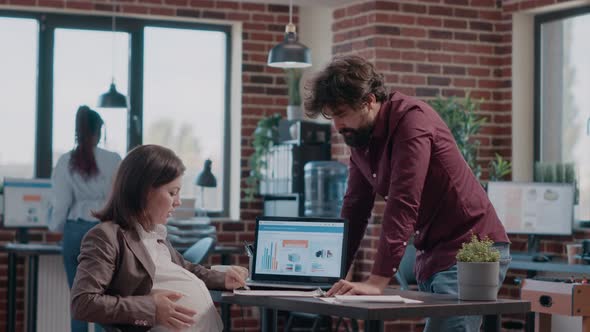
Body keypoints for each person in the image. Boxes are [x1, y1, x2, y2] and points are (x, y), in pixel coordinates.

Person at [304, 55, 510, 332]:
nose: (337, 126)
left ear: (369, 101)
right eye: (332, 116)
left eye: (341, 113)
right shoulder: (360, 139)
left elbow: (403, 201)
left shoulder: (412, 120)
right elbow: (354, 207)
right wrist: (333, 273)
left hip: (471, 250)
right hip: (431, 254)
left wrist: (377, 281)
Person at [70, 144, 248, 332]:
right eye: (172, 193)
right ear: (144, 191)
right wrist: (151, 308)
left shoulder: (155, 234)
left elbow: (186, 268)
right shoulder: (106, 237)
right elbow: (83, 303)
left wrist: (223, 278)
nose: (178, 202)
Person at [50, 105, 121, 332]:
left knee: (78, 300)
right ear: (99, 132)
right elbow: (119, 200)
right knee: (105, 300)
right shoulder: (113, 159)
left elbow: (60, 204)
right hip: (105, 233)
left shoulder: (65, 161)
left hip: (74, 232)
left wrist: (56, 227)